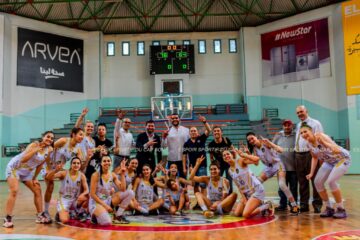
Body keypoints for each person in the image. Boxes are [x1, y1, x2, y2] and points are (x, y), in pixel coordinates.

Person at [3, 131, 54, 228]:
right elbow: (23, 159)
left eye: (52, 138)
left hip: (27, 172)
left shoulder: (49, 149)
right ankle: (8, 218)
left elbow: (40, 164)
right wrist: (35, 150)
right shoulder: (34, 144)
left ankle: (40, 216)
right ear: (43, 137)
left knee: (37, 190)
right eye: (48, 137)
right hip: (15, 168)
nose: (50, 139)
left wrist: (34, 178)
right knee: (14, 190)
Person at [300, 123, 351, 219]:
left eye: (305, 131)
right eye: (301, 133)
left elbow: (336, 150)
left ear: (311, 131)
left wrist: (324, 142)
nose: (303, 134)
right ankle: (329, 208)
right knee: (317, 182)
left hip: (342, 159)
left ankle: (341, 209)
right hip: (329, 162)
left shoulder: (321, 136)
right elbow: (314, 158)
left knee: (331, 181)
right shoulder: (308, 144)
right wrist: (311, 173)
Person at [246, 132, 299, 214]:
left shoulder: (265, 143)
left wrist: (270, 143)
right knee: (256, 183)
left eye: (252, 138)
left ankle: (294, 205)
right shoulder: (254, 149)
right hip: (268, 167)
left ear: (256, 137)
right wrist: (249, 154)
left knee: (282, 184)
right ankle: (264, 206)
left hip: (277, 164)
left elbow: (280, 150)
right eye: (249, 140)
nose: (251, 141)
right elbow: (256, 163)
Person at [43, 127, 86, 221]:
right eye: (80, 134)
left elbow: (81, 165)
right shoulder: (64, 141)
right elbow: (49, 148)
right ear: (74, 135)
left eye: (83, 135)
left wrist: (88, 157)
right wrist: (49, 167)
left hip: (58, 168)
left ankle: (72, 209)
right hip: (48, 164)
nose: (82, 137)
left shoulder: (77, 149)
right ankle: (45, 212)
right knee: (50, 186)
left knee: (81, 182)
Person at [223, 149, 274, 219]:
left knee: (246, 215)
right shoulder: (229, 170)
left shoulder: (240, 161)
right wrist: (244, 199)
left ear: (232, 155)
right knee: (237, 213)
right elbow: (238, 186)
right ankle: (258, 205)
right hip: (246, 194)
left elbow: (256, 159)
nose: (226, 156)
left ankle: (267, 205)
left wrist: (243, 154)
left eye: (228, 154)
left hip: (256, 190)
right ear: (223, 159)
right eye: (224, 155)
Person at [89, 155, 134, 225]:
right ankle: (94, 216)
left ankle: (118, 215)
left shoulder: (112, 175)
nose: (107, 163)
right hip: (96, 203)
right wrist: (105, 206)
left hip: (108, 200)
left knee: (130, 193)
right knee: (107, 222)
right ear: (100, 163)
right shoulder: (95, 175)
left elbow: (123, 189)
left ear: (111, 162)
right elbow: (92, 194)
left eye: (108, 161)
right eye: (104, 161)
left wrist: (122, 173)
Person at [295, 105, 323, 213]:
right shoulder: (298, 125)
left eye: (301, 111)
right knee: (302, 182)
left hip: (311, 154)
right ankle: (304, 205)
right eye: (297, 113)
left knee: (315, 180)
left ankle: (317, 204)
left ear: (307, 111)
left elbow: (320, 138)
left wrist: (319, 156)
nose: (299, 114)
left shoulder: (315, 123)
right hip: (298, 155)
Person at [46, 157, 89, 223]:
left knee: (88, 196)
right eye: (74, 163)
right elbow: (48, 177)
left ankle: (80, 213)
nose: (76, 165)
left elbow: (86, 190)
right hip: (64, 200)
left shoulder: (82, 175)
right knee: (64, 220)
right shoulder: (64, 173)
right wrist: (55, 170)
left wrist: (82, 195)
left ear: (80, 165)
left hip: (75, 200)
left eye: (78, 163)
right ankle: (59, 213)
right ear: (71, 164)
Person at [272, 119, 298, 211]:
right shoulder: (278, 135)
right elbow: (272, 147)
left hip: (294, 167)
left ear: (292, 126)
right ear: (283, 126)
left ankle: (293, 205)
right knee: (281, 187)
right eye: (285, 125)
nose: (287, 127)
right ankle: (282, 205)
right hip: (281, 168)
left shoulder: (296, 135)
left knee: (293, 187)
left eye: (289, 125)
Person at [182, 115, 211, 193]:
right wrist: (184, 168)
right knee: (195, 185)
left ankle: (203, 204)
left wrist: (204, 122)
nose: (193, 132)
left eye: (195, 130)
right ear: (189, 133)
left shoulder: (201, 138)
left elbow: (209, 130)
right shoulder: (186, 143)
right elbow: (184, 156)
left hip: (202, 166)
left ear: (197, 132)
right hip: (192, 167)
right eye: (191, 131)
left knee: (203, 185)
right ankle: (198, 203)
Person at [162, 113, 189, 178]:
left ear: (179, 119)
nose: (175, 119)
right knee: (171, 180)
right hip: (172, 159)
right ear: (170, 120)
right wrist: (164, 137)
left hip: (184, 159)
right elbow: (164, 146)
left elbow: (190, 143)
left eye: (176, 118)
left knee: (183, 179)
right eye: (173, 118)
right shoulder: (168, 131)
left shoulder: (186, 130)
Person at [208, 126, 234, 193]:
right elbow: (211, 157)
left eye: (218, 130)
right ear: (213, 133)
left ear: (221, 132)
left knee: (229, 183)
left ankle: (230, 198)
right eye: (215, 131)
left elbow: (233, 151)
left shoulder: (226, 140)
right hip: (219, 166)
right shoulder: (211, 145)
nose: (216, 132)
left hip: (228, 165)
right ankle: (219, 197)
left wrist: (233, 162)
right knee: (218, 182)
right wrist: (214, 166)